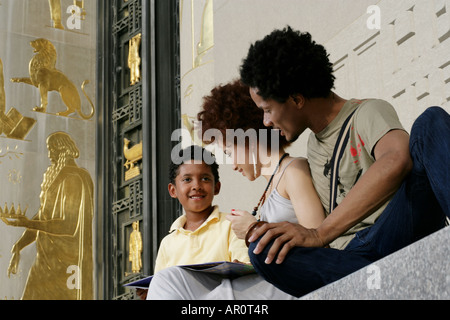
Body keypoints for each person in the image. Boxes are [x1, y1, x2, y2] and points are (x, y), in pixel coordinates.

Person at [238, 26, 449, 297]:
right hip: (352, 263)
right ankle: (391, 286)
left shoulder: (367, 112)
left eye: (267, 110)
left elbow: (397, 159)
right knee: (264, 250)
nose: (266, 122)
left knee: (431, 122)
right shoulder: (313, 146)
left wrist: (319, 233)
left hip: (395, 231)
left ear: (296, 99)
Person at [146, 80, 325, 300]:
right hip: (271, 278)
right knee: (167, 279)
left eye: (229, 152)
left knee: (223, 293)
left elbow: (318, 239)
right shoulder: (269, 189)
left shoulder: (293, 170)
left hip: (291, 280)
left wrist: (254, 229)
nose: (233, 165)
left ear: (247, 138)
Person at [145, 145, 250, 299]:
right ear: (173, 190)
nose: (196, 186)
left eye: (205, 179)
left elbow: (246, 271)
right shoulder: (168, 243)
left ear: (217, 187)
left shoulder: (232, 225)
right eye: (187, 179)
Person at [0, 132, 94, 300]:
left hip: (64, 265)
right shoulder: (59, 176)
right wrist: (19, 245)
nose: (49, 155)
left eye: (52, 149)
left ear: (63, 149)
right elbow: (43, 216)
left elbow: (69, 225)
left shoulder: (73, 179)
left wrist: (29, 223)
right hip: (46, 259)